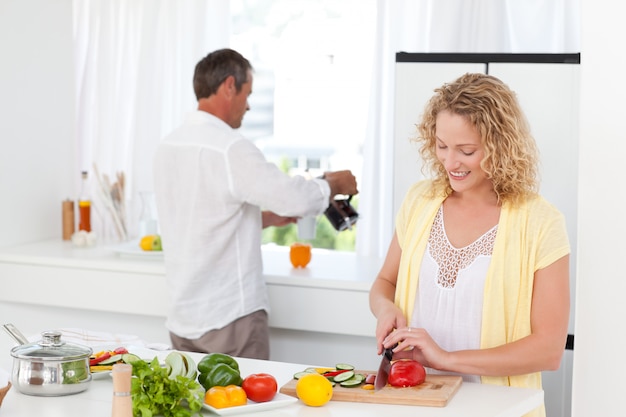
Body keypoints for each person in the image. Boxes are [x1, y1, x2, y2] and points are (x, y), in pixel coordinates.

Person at [369, 73, 569, 417]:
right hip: (414, 398)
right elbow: (384, 283)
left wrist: (445, 358)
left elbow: (549, 349)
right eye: (441, 145)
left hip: (495, 408)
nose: (449, 162)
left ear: (500, 145)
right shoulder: (420, 200)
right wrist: (386, 309)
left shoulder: (540, 222)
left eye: (466, 151)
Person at [153, 48, 358, 360]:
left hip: (183, 318)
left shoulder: (168, 145)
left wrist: (266, 219)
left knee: (192, 408)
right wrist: (332, 184)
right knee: (248, 408)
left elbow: (199, 218)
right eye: (247, 93)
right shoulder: (230, 148)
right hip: (229, 319)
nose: (248, 106)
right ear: (229, 86)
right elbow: (293, 196)